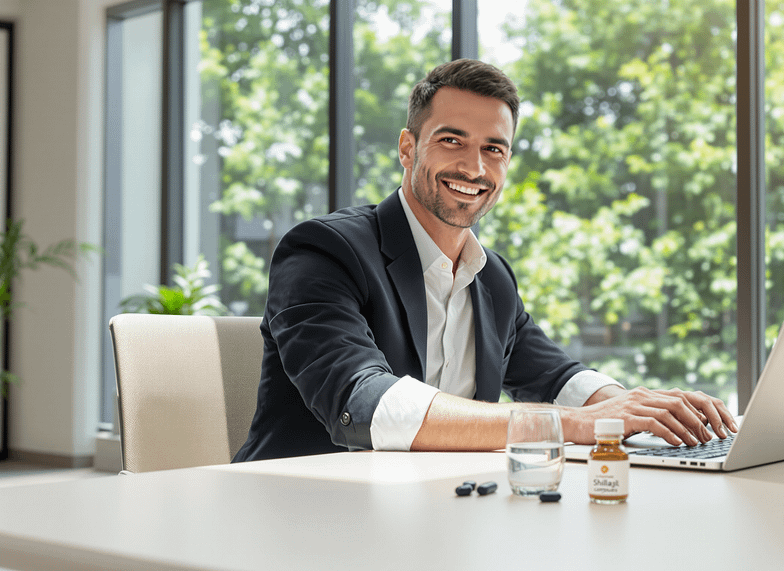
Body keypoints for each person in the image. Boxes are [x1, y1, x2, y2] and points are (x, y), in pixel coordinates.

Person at [233, 59, 737, 462]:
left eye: (494, 148)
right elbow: (369, 407)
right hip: (302, 512)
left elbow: (557, 377)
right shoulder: (324, 250)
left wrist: (641, 407)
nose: (473, 167)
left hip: (433, 514)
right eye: (451, 140)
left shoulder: (490, 276)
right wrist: (577, 426)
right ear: (407, 149)